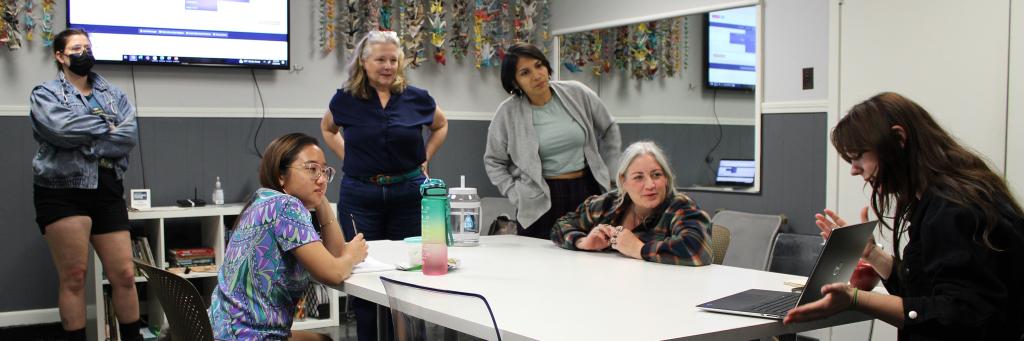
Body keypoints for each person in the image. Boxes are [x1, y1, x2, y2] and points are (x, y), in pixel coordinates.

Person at [783, 92, 1024, 340]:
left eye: (858, 157)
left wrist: (855, 298)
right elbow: (925, 293)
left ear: (898, 138)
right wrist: (872, 254)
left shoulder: (953, 208)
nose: (854, 170)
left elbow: (957, 314)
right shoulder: (939, 198)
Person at [319, 30, 448, 341]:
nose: (388, 65)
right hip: (361, 194)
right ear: (364, 63)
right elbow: (328, 128)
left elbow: (440, 125)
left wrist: (425, 159)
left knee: (411, 268)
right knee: (364, 271)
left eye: (393, 59)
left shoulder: (417, 98)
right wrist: (349, 155)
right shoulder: (345, 99)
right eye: (380, 59)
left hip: (408, 192)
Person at [29, 28, 142, 341]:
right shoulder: (45, 94)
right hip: (61, 191)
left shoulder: (114, 94)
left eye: (88, 47)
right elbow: (60, 130)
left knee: (125, 274)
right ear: (60, 56)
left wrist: (87, 140)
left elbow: (128, 136)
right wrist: (106, 124)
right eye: (77, 48)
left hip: (107, 189)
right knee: (75, 277)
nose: (84, 53)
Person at [208, 133, 369, 340]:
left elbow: (334, 253)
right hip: (251, 335)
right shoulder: (286, 207)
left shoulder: (262, 199)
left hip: (222, 330)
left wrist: (321, 201)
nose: (321, 178)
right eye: (311, 169)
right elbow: (333, 272)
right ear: (281, 175)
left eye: (324, 171)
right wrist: (354, 255)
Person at [484, 42, 621, 240]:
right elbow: (493, 161)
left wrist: (610, 173)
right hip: (537, 200)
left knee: (588, 259)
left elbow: (609, 128)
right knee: (539, 264)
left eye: (539, 65)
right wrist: (516, 195)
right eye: (525, 72)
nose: (537, 75)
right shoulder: (507, 113)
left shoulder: (577, 93)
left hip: (586, 191)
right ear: (515, 82)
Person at [551, 141, 713, 265]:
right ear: (624, 181)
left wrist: (638, 248)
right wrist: (582, 242)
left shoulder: (680, 206)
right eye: (638, 177)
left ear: (666, 179)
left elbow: (697, 250)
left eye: (656, 175)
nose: (650, 185)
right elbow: (560, 226)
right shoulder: (608, 203)